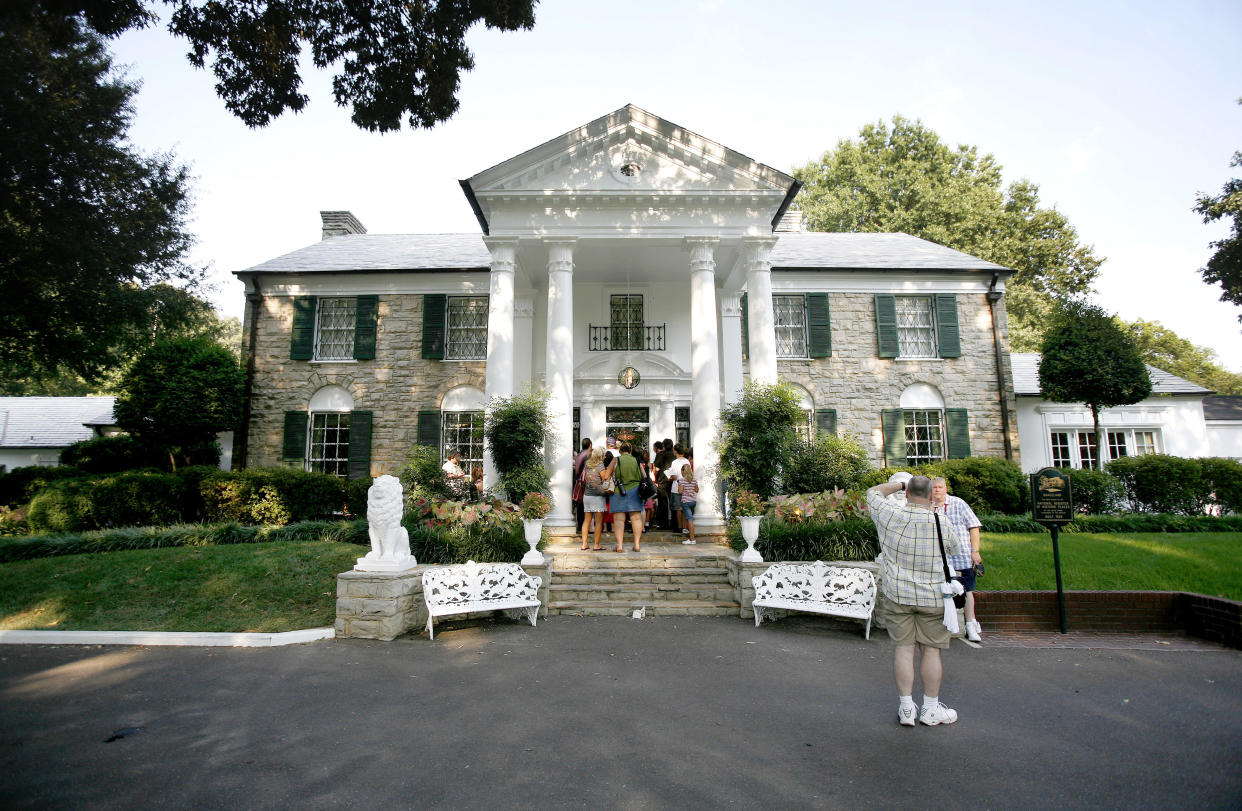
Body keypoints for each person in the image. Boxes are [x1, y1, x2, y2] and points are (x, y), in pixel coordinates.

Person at [866, 473, 967, 727]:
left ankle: (906, 708)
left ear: (907, 494)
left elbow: (873, 493)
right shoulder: (941, 521)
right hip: (933, 597)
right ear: (933, 495)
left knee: (904, 649)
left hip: (898, 595)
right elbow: (955, 549)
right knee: (931, 651)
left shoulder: (891, 515)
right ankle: (930, 708)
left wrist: (901, 483)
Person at [931, 477, 984, 642]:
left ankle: (970, 624)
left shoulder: (958, 504)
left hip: (960, 556)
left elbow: (973, 526)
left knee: (966, 589)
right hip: (938, 558)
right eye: (934, 488)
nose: (937, 490)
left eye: (940, 487)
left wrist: (975, 551)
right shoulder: (927, 507)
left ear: (946, 489)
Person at [607, 442, 644, 552]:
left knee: (619, 520)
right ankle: (636, 545)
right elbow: (645, 476)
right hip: (635, 490)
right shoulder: (636, 460)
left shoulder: (616, 460)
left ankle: (619, 546)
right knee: (636, 518)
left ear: (620, 451)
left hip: (619, 490)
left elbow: (607, 474)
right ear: (630, 450)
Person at [579, 447, 609, 550]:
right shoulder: (600, 465)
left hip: (587, 495)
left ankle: (584, 544)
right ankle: (596, 545)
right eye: (603, 454)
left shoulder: (587, 464)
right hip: (598, 496)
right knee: (598, 522)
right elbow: (605, 477)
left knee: (586, 520)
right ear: (601, 455)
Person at [666, 444, 691, 534]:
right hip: (686, 486)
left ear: (675, 451)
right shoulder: (687, 461)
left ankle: (679, 526)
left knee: (678, 508)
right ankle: (685, 527)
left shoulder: (675, 462)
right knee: (684, 507)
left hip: (676, 487)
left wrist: (669, 476)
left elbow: (673, 475)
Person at [574, 438, 592, 530]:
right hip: (585, 482)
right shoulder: (588, 455)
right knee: (587, 505)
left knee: (580, 504)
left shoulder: (579, 454)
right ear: (590, 445)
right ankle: (586, 526)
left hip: (578, 482)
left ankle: (580, 524)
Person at [679, 465, 699, 544]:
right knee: (688, 517)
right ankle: (686, 530)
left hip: (685, 501)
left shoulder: (682, 480)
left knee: (690, 519)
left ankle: (692, 539)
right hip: (693, 501)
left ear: (683, 471)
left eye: (681, 470)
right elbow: (697, 490)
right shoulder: (694, 480)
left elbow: (680, 491)